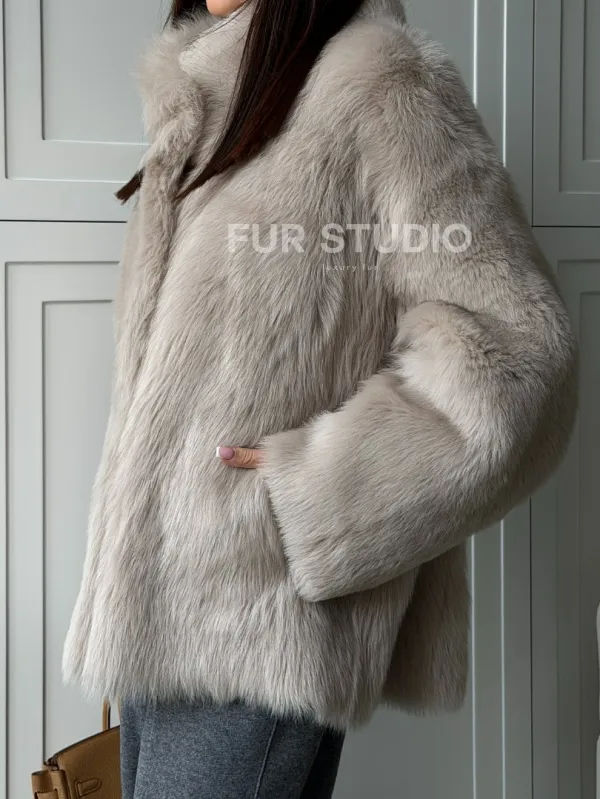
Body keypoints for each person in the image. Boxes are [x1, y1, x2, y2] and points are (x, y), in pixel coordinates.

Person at [62, 0, 578, 796]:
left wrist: (318, 491)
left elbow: (520, 353)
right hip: (154, 609)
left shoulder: (378, 84)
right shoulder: (205, 93)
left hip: (259, 615)